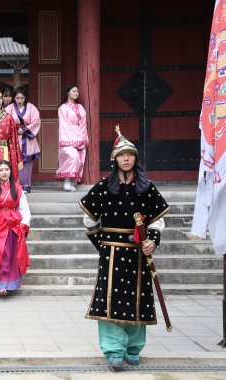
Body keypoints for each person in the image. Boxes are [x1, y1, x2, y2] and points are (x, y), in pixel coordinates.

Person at [79, 127, 170, 371]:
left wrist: (152, 240)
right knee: (111, 301)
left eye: (130, 154)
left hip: (139, 253)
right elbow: (88, 219)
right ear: (115, 159)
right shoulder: (103, 186)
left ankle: (133, 349)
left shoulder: (146, 187)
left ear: (135, 159)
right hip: (111, 255)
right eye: (122, 155)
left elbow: (157, 219)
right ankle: (113, 351)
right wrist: (102, 244)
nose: (126, 158)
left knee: (137, 299)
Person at [0, 160, 30, 295]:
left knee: (11, 255)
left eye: (6, 170)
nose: (4, 172)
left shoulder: (17, 188)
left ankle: (7, 284)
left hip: (13, 225)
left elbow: (24, 208)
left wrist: (23, 223)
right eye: (1, 170)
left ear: (10, 172)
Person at [5, 87, 41, 193]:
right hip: (14, 138)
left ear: (25, 98)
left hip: (28, 139)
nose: (20, 100)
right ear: (14, 98)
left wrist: (24, 129)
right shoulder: (9, 108)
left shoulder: (31, 107)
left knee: (28, 163)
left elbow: (36, 121)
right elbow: (6, 121)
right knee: (13, 161)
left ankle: (26, 185)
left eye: (22, 98)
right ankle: (14, 185)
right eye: (17, 98)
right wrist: (16, 129)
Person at [55, 84, 89, 191]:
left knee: (79, 159)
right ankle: (66, 181)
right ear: (68, 93)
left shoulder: (80, 107)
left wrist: (82, 138)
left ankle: (71, 182)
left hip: (80, 136)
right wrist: (72, 139)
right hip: (67, 137)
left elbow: (83, 124)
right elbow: (64, 125)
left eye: (77, 92)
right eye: (74, 91)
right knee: (72, 156)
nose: (76, 93)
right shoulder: (63, 108)